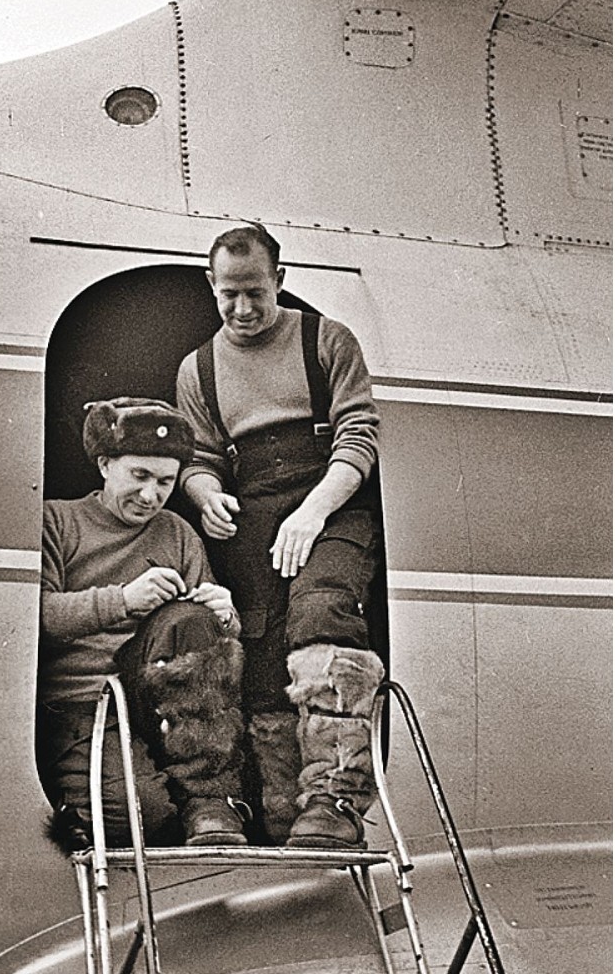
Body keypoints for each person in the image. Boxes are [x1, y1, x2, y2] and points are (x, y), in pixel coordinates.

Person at [176, 224, 384, 850]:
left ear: (280, 281)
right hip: (254, 510)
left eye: (255, 293)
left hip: (332, 502)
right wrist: (206, 495)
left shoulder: (327, 341)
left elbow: (359, 437)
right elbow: (198, 459)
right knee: (260, 653)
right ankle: (279, 819)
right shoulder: (198, 369)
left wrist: (313, 512)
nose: (242, 308)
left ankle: (334, 799)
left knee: (321, 614)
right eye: (229, 295)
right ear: (212, 287)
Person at [37, 396, 250, 852]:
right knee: (136, 815)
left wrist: (225, 616)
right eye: (139, 475)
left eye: (165, 482)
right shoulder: (57, 521)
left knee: (191, 618)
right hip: (82, 706)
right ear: (104, 464)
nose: (151, 495)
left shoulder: (176, 532)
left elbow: (209, 637)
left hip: (156, 706)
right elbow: (35, 617)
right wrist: (123, 600)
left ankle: (210, 800)